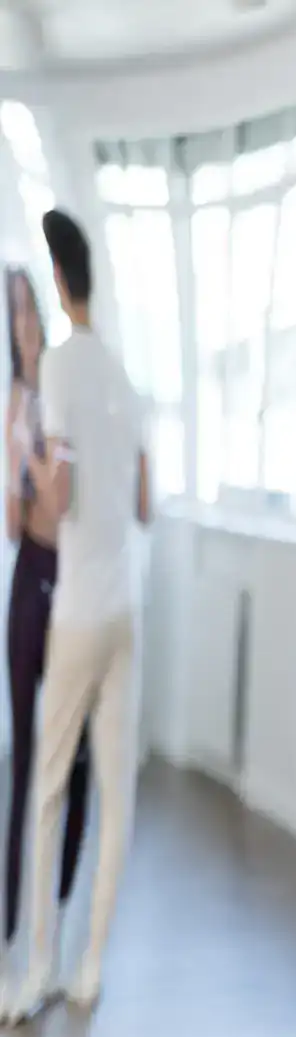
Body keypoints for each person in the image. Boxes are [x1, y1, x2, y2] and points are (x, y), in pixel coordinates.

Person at [2, 211, 148, 1023]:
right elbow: (147, 503)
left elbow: (57, 498)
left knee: (49, 786)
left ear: (57, 282)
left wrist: (35, 476)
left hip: (80, 612)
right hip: (130, 609)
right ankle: (90, 968)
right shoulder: (122, 373)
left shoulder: (57, 368)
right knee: (116, 792)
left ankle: (35, 975)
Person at [3, 266, 92, 976]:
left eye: (30, 308)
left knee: (78, 753)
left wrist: (35, 462)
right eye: (14, 315)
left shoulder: (67, 385)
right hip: (30, 575)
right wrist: (15, 458)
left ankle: (61, 901)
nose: (25, 324)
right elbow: (16, 523)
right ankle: (13, 914)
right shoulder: (14, 403)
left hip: (79, 580)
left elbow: (68, 499)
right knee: (29, 751)